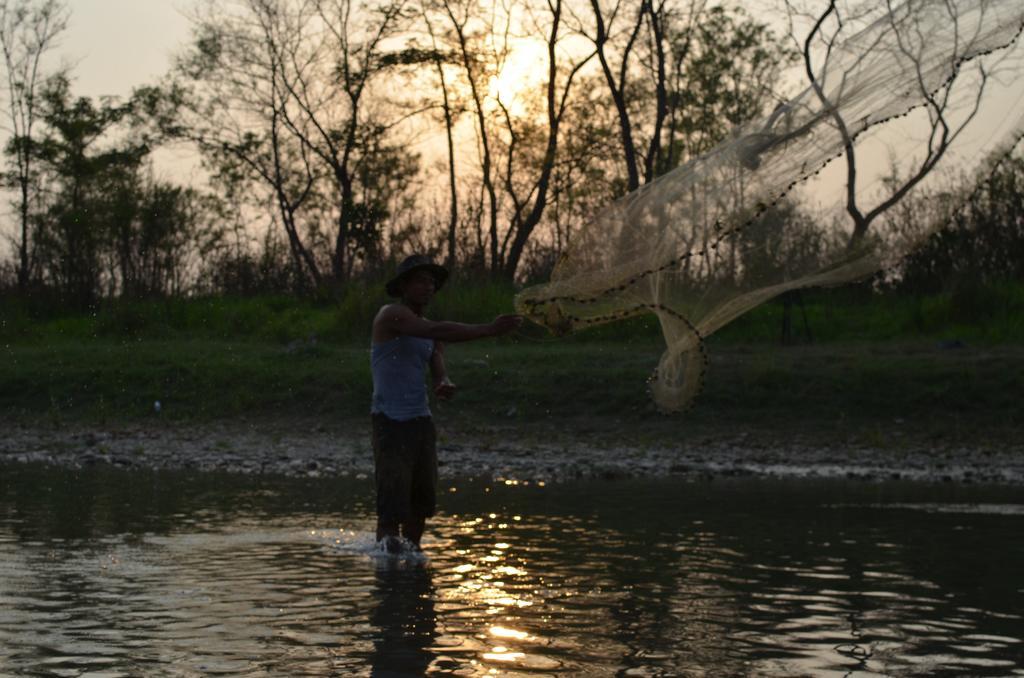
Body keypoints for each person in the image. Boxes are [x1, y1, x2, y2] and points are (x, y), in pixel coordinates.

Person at [370, 255, 522, 553]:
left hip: (421, 422)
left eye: (432, 283)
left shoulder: (427, 327)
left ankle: (412, 561)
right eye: (421, 281)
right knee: (391, 504)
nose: (428, 288)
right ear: (404, 286)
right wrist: (489, 329)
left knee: (421, 502)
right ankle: (387, 572)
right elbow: (436, 332)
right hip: (390, 421)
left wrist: (442, 381)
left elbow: (436, 357)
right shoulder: (391, 315)